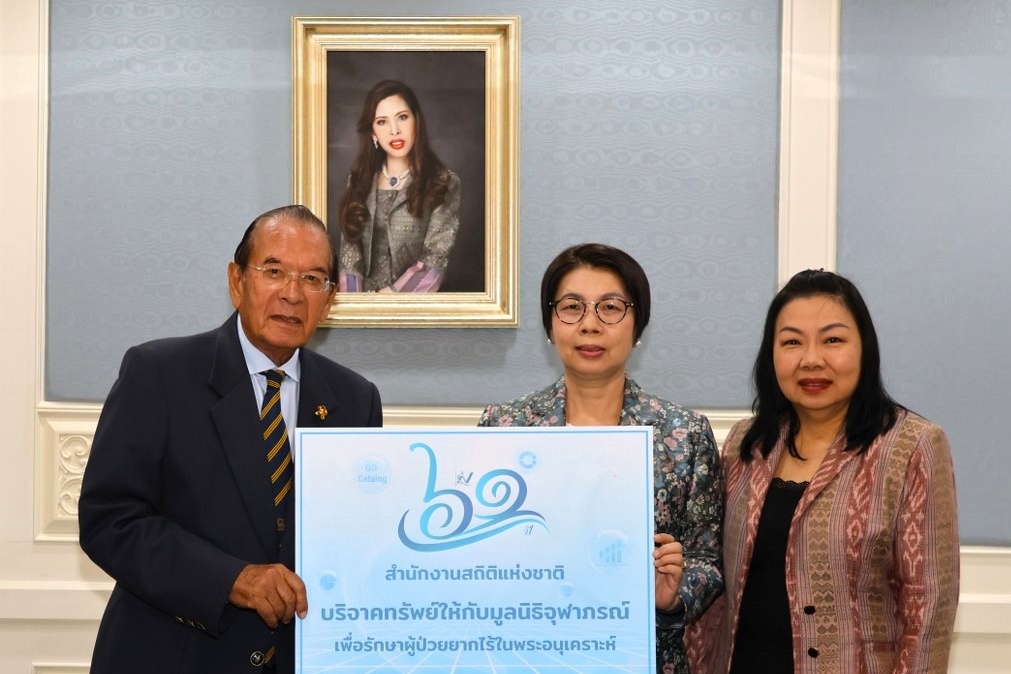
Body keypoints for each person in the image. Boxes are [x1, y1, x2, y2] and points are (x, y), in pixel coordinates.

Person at [78, 205, 383, 674]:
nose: (292, 293)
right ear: (237, 281)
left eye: (312, 279)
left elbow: (358, 542)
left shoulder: (355, 400)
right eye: (274, 271)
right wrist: (231, 580)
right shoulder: (159, 374)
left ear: (329, 299)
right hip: (174, 658)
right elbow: (110, 521)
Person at [687, 269, 959, 674]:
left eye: (833, 340)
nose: (811, 360)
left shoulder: (911, 446)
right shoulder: (745, 444)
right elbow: (719, 598)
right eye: (792, 342)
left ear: (864, 348)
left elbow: (928, 608)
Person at [478, 243, 724, 674]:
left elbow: (708, 560)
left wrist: (672, 594)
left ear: (637, 324)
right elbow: (477, 551)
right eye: (572, 307)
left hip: (642, 656)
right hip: (526, 654)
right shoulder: (503, 427)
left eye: (610, 307)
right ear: (550, 324)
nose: (590, 324)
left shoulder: (684, 434)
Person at [336, 79, 461, 292]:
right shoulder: (359, 181)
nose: (394, 130)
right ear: (373, 132)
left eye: (402, 117)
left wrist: (388, 298)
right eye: (382, 122)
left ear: (416, 121)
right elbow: (350, 257)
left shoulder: (443, 183)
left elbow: (436, 257)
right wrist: (355, 304)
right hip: (362, 305)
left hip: (413, 304)